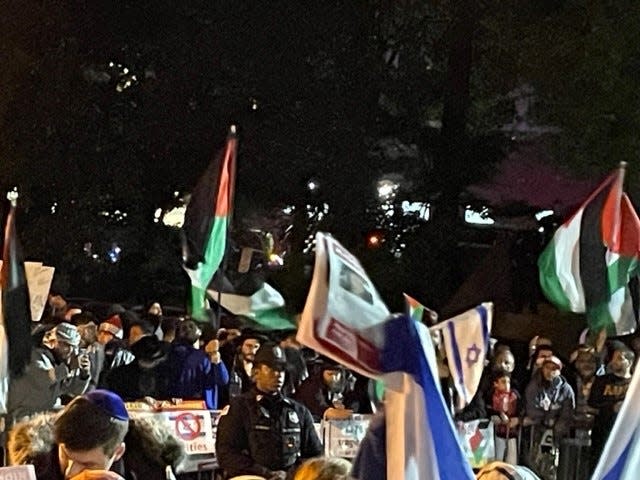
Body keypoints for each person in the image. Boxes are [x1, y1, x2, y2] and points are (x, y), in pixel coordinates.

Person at [7, 389, 184, 480]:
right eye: (66, 456)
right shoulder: (37, 466)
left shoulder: (149, 468)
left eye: (86, 464)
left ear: (117, 453)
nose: (71, 472)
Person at [216, 342, 323, 479]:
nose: (278, 374)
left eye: (281, 369)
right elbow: (226, 454)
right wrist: (265, 474)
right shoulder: (239, 408)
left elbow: (315, 455)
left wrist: (289, 474)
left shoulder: (298, 411)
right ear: (256, 372)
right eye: (271, 369)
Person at [7, 322, 91, 424]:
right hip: (23, 415)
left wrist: (83, 375)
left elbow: (74, 391)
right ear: (53, 342)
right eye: (67, 346)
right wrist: (68, 367)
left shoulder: (58, 363)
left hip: (44, 416)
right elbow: (44, 378)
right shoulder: (34, 356)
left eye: (74, 347)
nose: (71, 351)